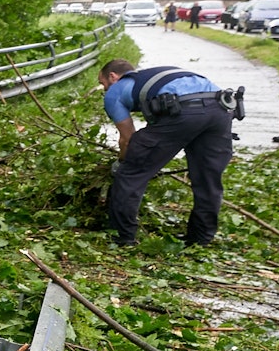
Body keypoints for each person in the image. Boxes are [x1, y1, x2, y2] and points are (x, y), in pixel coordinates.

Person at [97, 59, 233, 245]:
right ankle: (200, 239)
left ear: (112, 77)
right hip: (221, 108)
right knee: (207, 178)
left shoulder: (115, 91)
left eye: (102, 83)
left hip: (185, 110)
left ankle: (122, 237)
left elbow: (128, 139)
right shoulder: (155, 78)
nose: (104, 89)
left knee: (131, 173)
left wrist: (121, 162)